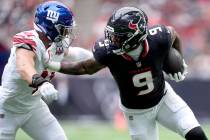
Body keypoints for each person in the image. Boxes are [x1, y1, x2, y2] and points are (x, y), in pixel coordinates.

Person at [45, 7, 208, 140]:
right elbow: (84, 68)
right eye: (112, 34)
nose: (112, 40)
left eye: (118, 36)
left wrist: (179, 60)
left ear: (134, 37)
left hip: (164, 99)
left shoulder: (158, 37)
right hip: (137, 114)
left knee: (197, 135)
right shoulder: (109, 51)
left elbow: (173, 34)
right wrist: (52, 65)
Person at [0, 1, 92, 140]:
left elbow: (73, 53)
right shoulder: (29, 40)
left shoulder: (55, 45)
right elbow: (24, 67)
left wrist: (98, 57)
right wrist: (41, 83)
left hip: (33, 108)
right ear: (51, 27)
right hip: (7, 109)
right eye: (64, 29)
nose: (67, 33)